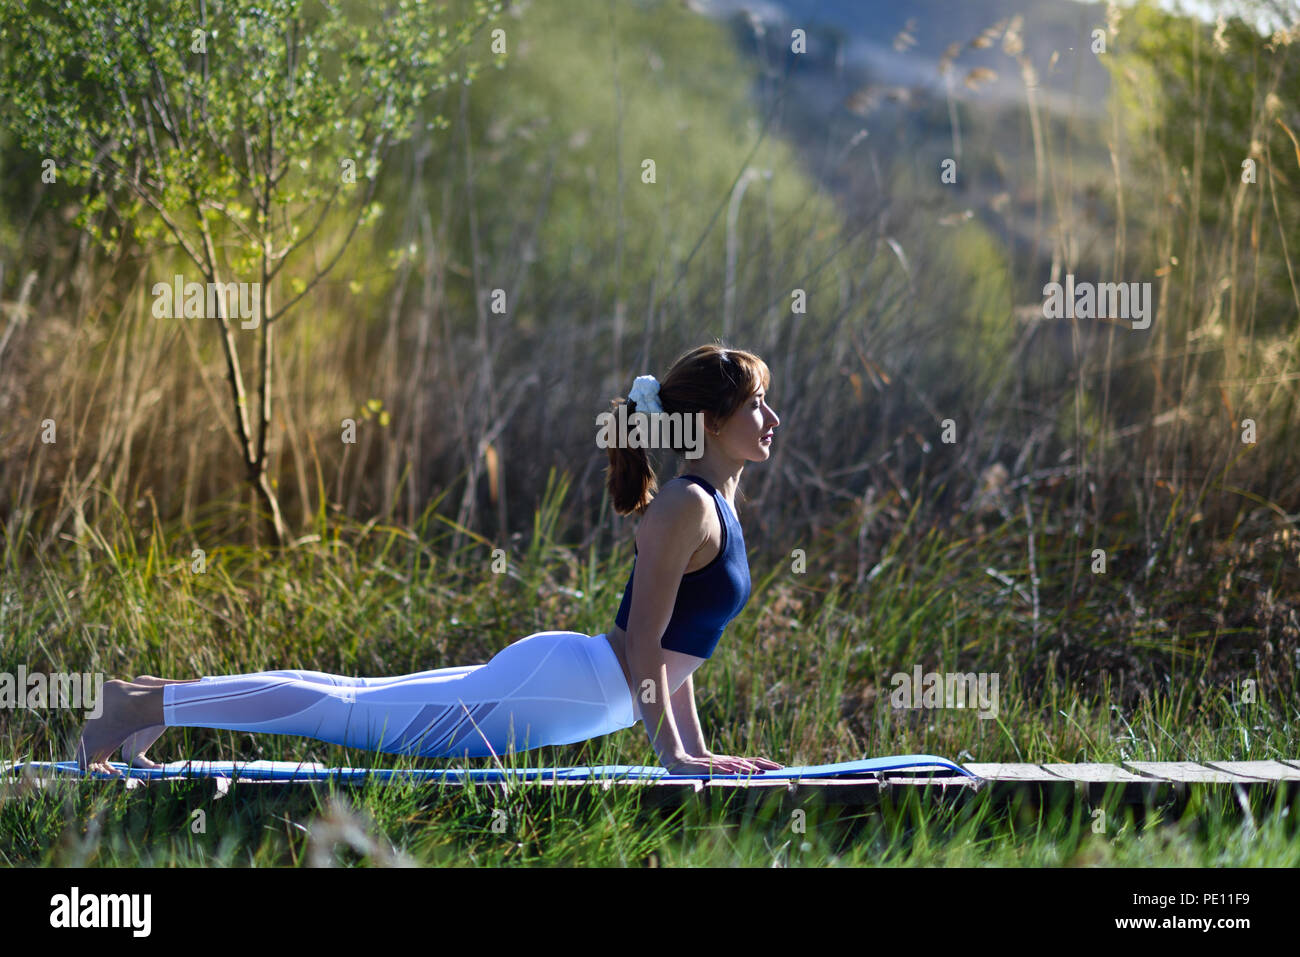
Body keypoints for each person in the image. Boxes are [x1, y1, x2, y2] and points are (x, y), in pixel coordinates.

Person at [75, 343, 783, 777]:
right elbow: (650, 648)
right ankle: (141, 702)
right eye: (758, 404)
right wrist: (676, 755)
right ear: (713, 422)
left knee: (349, 696)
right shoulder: (684, 507)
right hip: (565, 687)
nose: (772, 419)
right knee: (345, 713)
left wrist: (695, 751)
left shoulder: (709, 504)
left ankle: (151, 694)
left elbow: (672, 653)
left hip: (576, 687)